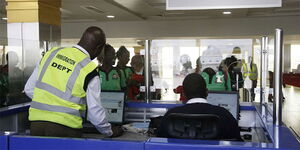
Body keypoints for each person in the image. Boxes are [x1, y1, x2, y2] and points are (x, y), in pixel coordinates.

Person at [24, 26, 122, 138]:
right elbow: (95, 112)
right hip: (66, 130)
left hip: (36, 126)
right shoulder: (89, 69)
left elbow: (29, 89)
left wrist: (50, 103)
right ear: (99, 48)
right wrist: (109, 131)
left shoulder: (51, 54)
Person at [157, 73, 241, 140]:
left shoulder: (170, 115)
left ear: (184, 95)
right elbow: (238, 143)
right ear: (207, 92)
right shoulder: (224, 114)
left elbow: (158, 143)